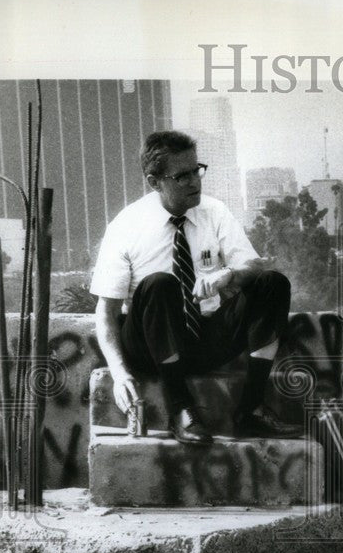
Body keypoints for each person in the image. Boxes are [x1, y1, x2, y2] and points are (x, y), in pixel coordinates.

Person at [90, 130, 297, 443]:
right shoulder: (126, 225)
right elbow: (105, 314)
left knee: (272, 283)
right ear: (154, 181)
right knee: (160, 284)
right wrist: (119, 374)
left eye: (196, 170)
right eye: (181, 176)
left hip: (204, 338)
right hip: (150, 347)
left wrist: (228, 274)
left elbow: (253, 265)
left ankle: (251, 410)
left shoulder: (214, 211)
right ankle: (182, 410)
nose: (195, 182)